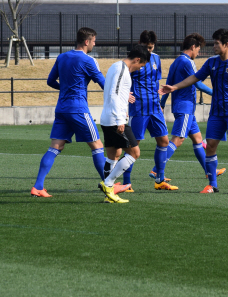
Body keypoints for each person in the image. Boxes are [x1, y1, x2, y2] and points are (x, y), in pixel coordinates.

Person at [160, 28, 228, 194]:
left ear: (226, 45)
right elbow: (195, 78)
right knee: (210, 146)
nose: (214, 46)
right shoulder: (211, 62)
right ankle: (212, 184)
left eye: (217, 43)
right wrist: (174, 87)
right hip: (216, 112)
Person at [31, 27, 113, 197]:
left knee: (55, 146)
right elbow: (104, 83)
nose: (95, 44)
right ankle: (109, 184)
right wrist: (120, 96)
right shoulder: (88, 60)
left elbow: (50, 81)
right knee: (97, 146)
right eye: (94, 41)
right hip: (78, 110)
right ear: (86, 41)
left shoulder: (61, 57)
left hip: (61, 109)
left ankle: (38, 186)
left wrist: (65, 88)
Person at [157, 33, 226, 179]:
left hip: (183, 107)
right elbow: (198, 82)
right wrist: (216, 93)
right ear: (193, 47)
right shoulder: (187, 62)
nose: (198, 53)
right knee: (178, 139)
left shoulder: (175, 61)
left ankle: (209, 171)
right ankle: (157, 169)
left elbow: (168, 85)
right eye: (198, 49)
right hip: (185, 106)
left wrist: (162, 103)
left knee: (198, 139)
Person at [125, 30, 178, 191]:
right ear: (140, 45)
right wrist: (125, 93)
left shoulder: (156, 58)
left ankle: (160, 180)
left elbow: (156, 80)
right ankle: (126, 183)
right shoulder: (133, 59)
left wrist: (161, 102)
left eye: (151, 47)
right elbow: (122, 77)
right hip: (139, 108)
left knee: (163, 141)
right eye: (147, 47)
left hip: (155, 107)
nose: (149, 50)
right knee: (134, 146)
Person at [98, 45, 150, 203]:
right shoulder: (122, 69)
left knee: (113, 155)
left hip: (107, 118)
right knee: (134, 153)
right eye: (140, 66)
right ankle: (108, 184)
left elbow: (113, 90)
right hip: (115, 120)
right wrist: (120, 119)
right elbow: (114, 93)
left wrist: (124, 96)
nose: (139, 69)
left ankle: (109, 196)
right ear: (137, 59)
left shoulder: (115, 66)